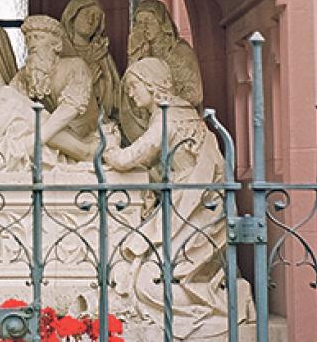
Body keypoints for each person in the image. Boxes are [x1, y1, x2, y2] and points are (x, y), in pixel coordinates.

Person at [104, 58, 252, 338]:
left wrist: (108, 146)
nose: (132, 94)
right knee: (150, 270)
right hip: (193, 201)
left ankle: (230, 300)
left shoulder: (167, 117)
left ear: (151, 84)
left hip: (191, 205)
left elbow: (130, 158)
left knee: (150, 281)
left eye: (134, 86)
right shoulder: (183, 113)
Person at [10, 15, 99, 161]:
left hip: (82, 135)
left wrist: (36, 140)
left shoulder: (75, 66)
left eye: (38, 37)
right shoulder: (26, 74)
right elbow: (10, 100)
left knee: (27, 116)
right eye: (29, 39)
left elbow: (70, 108)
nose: (32, 45)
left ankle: (85, 152)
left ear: (56, 44)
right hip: (51, 135)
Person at [122, 0, 203, 142]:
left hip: (177, 123)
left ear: (162, 23)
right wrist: (134, 55)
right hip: (149, 121)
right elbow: (129, 92)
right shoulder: (140, 52)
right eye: (139, 23)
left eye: (149, 21)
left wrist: (163, 102)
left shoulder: (180, 51)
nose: (144, 28)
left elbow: (195, 95)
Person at [61, 0, 121, 121]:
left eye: (97, 17)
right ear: (72, 16)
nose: (91, 20)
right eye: (86, 14)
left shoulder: (102, 55)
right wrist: (87, 82)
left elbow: (117, 93)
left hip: (102, 118)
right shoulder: (60, 52)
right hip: (69, 121)